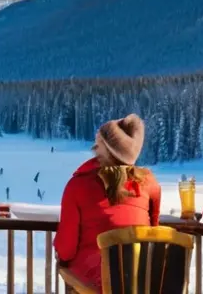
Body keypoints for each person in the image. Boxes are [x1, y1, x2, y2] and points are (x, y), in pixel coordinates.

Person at [54, 114, 161, 291]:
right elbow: (152, 232)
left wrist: (61, 259)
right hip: (137, 282)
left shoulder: (79, 186)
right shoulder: (150, 184)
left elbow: (66, 248)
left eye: (99, 142)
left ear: (105, 149)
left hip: (93, 286)